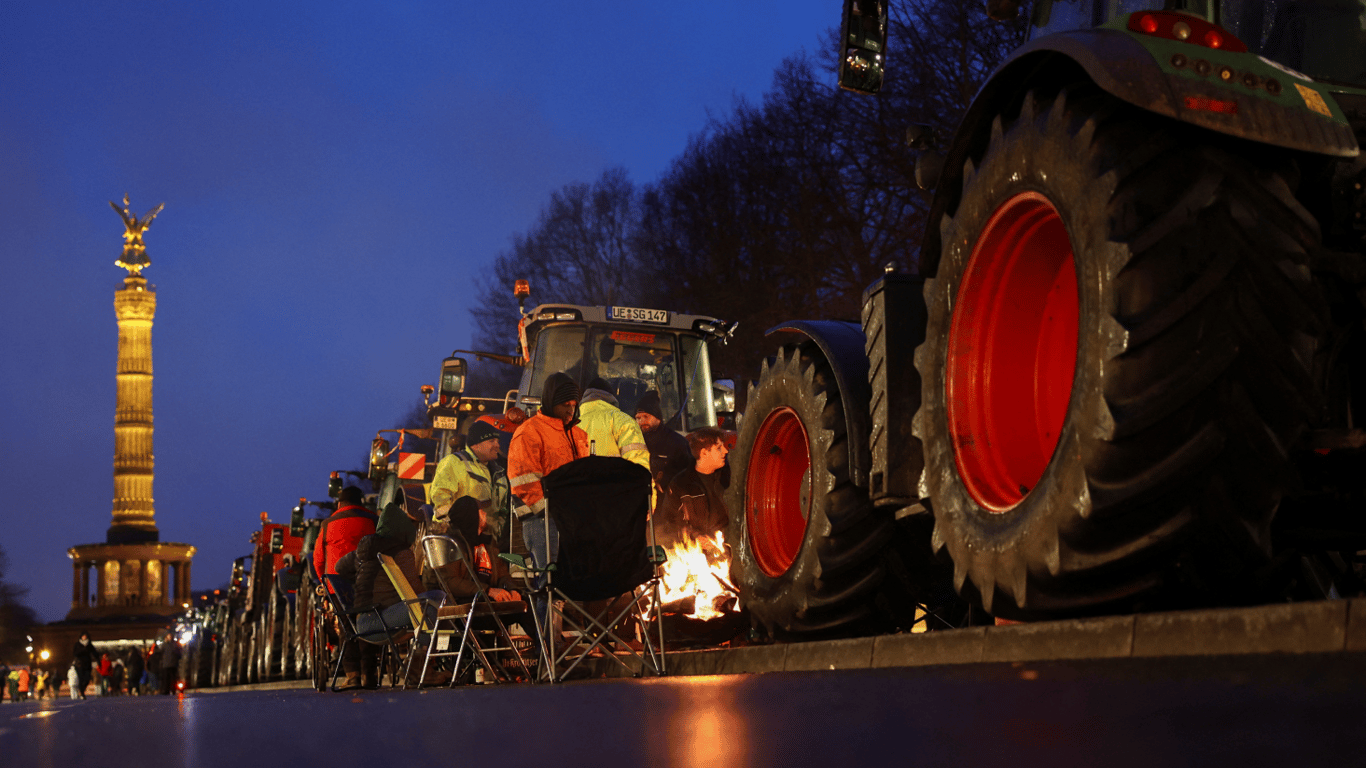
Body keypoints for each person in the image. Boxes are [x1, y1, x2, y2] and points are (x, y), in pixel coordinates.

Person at [508, 372, 590, 630]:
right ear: (551, 401)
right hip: (542, 521)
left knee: (567, 584)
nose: (570, 408)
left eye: (574, 404)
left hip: (571, 521)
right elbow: (524, 481)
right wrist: (550, 510)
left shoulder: (579, 434)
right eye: (565, 403)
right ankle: (546, 651)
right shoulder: (529, 432)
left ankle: (561, 645)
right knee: (548, 584)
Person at [335, 500, 445, 690]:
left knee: (430, 603)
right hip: (382, 620)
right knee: (433, 601)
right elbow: (415, 591)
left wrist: (361, 578)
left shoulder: (363, 551)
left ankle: (418, 665)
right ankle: (419, 668)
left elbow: (338, 568)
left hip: (361, 621)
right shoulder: (401, 552)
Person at [429, 418, 509, 541]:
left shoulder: (500, 472)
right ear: (476, 445)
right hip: (453, 535)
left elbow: (502, 509)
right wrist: (467, 515)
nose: (497, 445)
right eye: (491, 441)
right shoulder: (453, 463)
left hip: (488, 537)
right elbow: (440, 501)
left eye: (498, 441)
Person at [656, 427, 732, 546]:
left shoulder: (729, 479)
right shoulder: (680, 484)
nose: (725, 451)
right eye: (719, 448)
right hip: (696, 554)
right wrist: (695, 536)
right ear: (704, 453)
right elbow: (669, 522)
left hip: (729, 550)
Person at [579, 377, 650, 470]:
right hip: (615, 484)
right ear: (612, 397)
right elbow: (639, 467)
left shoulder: (570, 424)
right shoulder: (623, 421)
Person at [313, 485, 378, 581]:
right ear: (360, 503)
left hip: (335, 587)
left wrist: (325, 583)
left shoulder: (327, 525)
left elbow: (319, 560)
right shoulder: (374, 521)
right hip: (367, 585)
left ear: (339, 505)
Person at [635, 389, 692, 497]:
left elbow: (688, 473)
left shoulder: (677, 442)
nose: (642, 422)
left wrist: (666, 481)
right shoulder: (634, 442)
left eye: (646, 416)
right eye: (638, 418)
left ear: (658, 417)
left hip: (669, 501)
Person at [71, 632, 96, 699]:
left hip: (87, 664)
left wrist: (98, 662)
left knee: (87, 678)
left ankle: (82, 690)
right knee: (81, 679)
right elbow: (75, 653)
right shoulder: (77, 644)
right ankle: (82, 693)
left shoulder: (89, 645)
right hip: (79, 665)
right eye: (83, 636)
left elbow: (95, 653)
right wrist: (83, 650)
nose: (84, 637)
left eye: (85, 636)